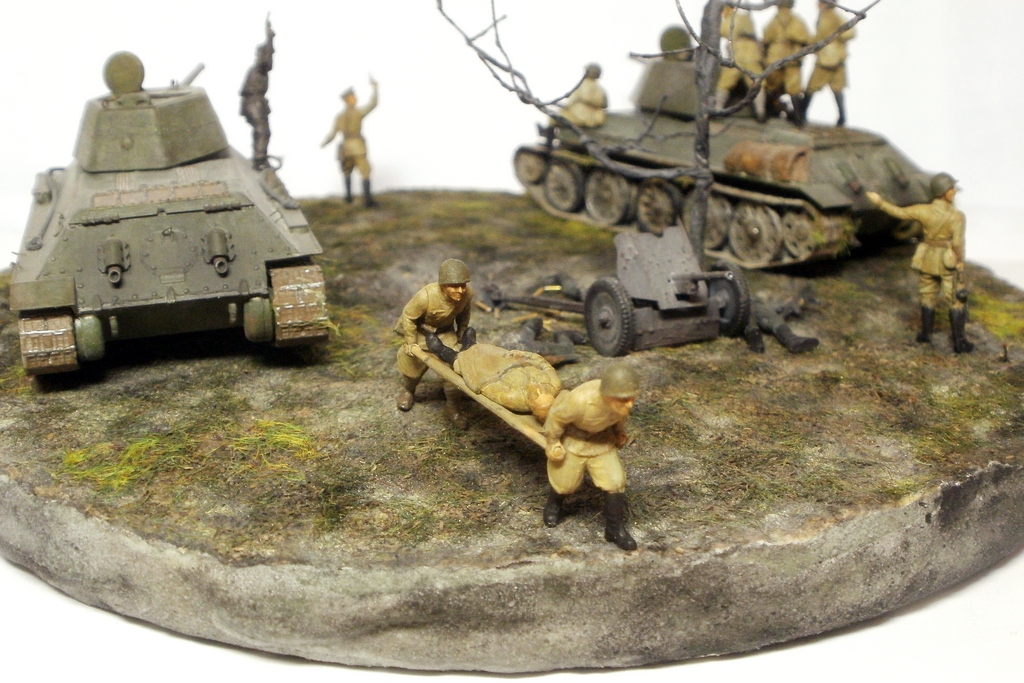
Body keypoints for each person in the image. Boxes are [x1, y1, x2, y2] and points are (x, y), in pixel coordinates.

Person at [867, 173, 973, 353]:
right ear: (944, 191)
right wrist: (960, 260)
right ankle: (959, 342)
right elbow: (957, 243)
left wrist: (880, 203)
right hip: (947, 260)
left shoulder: (923, 210)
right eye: (951, 188)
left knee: (927, 296)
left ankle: (926, 334)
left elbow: (900, 212)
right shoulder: (956, 216)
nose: (955, 191)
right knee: (956, 300)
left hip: (927, 259)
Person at [542, 363, 641, 551]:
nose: (630, 404)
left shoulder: (620, 405)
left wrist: (619, 433)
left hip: (602, 442)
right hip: (575, 440)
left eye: (632, 398)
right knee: (564, 483)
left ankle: (614, 529)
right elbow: (556, 418)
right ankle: (554, 505)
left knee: (615, 482)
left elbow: (618, 420)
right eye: (624, 400)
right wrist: (553, 442)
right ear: (607, 395)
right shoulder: (579, 400)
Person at [394, 259, 475, 426]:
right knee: (411, 367)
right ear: (443, 285)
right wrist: (411, 342)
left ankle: (452, 407)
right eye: (454, 286)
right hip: (421, 333)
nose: (460, 290)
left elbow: (464, 315)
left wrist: (461, 332)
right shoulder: (426, 296)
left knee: (454, 369)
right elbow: (408, 317)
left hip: (445, 334)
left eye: (463, 285)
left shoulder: (467, 295)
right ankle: (408, 391)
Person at [424, 332, 562, 423]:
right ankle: (470, 343)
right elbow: (543, 364)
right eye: (543, 393)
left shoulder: (515, 400)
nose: (538, 390)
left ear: (531, 405)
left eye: (535, 396)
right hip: (511, 360)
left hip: (494, 373)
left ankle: (442, 351)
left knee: (468, 361)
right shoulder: (554, 385)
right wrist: (524, 355)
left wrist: (470, 369)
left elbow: (486, 385)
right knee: (487, 350)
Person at [321, 78, 379, 207]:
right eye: (353, 97)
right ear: (347, 99)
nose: (355, 98)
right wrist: (375, 88)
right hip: (357, 147)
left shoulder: (339, 117)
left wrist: (324, 143)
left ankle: (348, 198)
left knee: (347, 171)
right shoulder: (357, 112)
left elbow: (332, 134)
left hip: (345, 148)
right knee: (365, 171)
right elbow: (373, 104)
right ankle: (367, 200)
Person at [802, 0, 856, 127]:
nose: (817, 5)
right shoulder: (828, 16)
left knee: (812, 87)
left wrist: (835, 37)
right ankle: (842, 117)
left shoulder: (830, 17)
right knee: (837, 89)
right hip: (834, 58)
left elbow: (849, 33)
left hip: (827, 59)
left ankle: (801, 113)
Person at [762, 0, 811, 124]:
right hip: (793, 57)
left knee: (771, 85)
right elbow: (807, 39)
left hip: (775, 57)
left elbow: (767, 37)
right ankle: (798, 118)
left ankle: (766, 113)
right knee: (794, 88)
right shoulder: (798, 21)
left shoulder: (774, 20)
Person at [715, 6, 766, 122]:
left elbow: (722, 30)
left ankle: (718, 109)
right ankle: (761, 112)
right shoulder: (744, 18)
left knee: (725, 82)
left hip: (738, 55)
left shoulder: (732, 19)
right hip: (753, 54)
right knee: (757, 83)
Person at [239, 20, 275, 171]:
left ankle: (259, 157)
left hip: (255, 102)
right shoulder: (259, 68)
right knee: (262, 131)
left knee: (262, 131)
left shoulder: (259, 69)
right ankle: (259, 159)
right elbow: (267, 61)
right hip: (253, 102)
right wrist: (270, 39)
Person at [557, 63, 608, 128]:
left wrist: (583, 99)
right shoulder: (584, 84)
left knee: (557, 118)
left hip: (585, 114)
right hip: (579, 111)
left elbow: (601, 103)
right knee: (555, 117)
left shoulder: (594, 87)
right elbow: (573, 99)